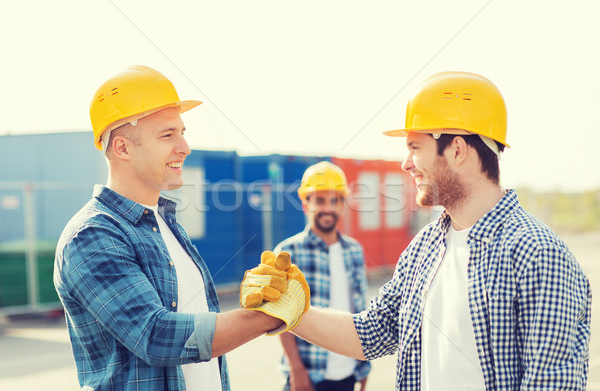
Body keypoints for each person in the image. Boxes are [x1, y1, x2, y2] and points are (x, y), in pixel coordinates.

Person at [243, 72, 592, 390]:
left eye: (415, 147)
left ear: (457, 149)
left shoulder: (539, 256)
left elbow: (550, 384)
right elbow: (372, 332)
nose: (405, 163)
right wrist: (293, 310)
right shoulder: (426, 246)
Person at [54, 65, 288, 390]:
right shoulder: (93, 235)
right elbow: (157, 336)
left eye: (182, 131)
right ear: (122, 147)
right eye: (168, 135)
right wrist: (272, 314)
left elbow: (196, 327)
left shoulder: (163, 223)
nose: (185, 147)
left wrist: (255, 302)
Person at [274, 162, 371, 391]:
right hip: (307, 376)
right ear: (305, 203)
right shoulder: (289, 253)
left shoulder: (354, 251)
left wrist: (364, 366)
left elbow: (360, 310)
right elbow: (281, 316)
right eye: (319, 200)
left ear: (343, 204)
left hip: (348, 374)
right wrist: (296, 369)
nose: (328, 208)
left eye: (334, 200)